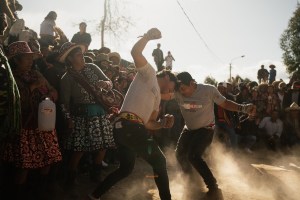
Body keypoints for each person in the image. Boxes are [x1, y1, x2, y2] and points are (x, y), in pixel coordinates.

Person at [88, 28, 175, 200]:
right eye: (174, 85)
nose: (173, 90)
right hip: (128, 127)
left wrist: (163, 123)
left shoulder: (157, 99)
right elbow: (135, 52)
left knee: (125, 169)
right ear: (167, 78)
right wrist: (148, 37)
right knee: (160, 161)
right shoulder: (148, 73)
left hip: (127, 129)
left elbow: (149, 124)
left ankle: (93, 195)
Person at [174, 72, 256, 200]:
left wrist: (243, 108)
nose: (182, 93)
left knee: (194, 156)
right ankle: (192, 182)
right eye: (180, 90)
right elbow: (161, 94)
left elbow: (225, 103)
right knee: (179, 154)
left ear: (191, 83)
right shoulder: (177, 92)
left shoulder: (208, 90)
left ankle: (214, 188)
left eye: (184, 89)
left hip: (206, 128)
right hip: (188, 129)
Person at [1, 41, 62, 199]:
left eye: (31, 58)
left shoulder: (37, 73)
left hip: (43, 122)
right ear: (16, 60)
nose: (31, 61)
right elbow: (16, 102)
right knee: (24, 165)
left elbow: (52, 90)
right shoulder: (10, 78)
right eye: (27, 58)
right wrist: (33, 87)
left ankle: (40, 191)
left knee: (49, 158)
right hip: (24, 126)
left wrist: (51, 95)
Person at [58, 42, 115, 188]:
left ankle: (95, 174)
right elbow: (64, 103)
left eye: (81, 54)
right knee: (79, 149)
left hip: (100, 112)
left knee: (103, 146)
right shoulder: (66, 78)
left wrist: (105, 84)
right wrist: (69, 119)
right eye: (78, 55)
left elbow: (110, 83)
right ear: (70, 59)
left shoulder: (93, 67)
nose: (82, 57)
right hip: (81, 116)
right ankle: (71, 178)